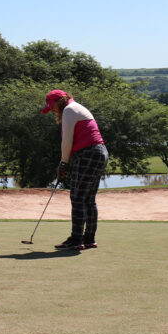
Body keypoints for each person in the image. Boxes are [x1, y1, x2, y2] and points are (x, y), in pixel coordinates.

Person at [41, 89, 108, 250]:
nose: (53, 110)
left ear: (61, 100)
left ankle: (76, 240)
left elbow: (67, 141)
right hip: (99, 153)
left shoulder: (69, 110)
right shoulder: (76, 108)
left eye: (53, 106)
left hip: (88, 153)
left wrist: (63, 163)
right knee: (88, 199)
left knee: (77, 197)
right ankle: (89, 238)